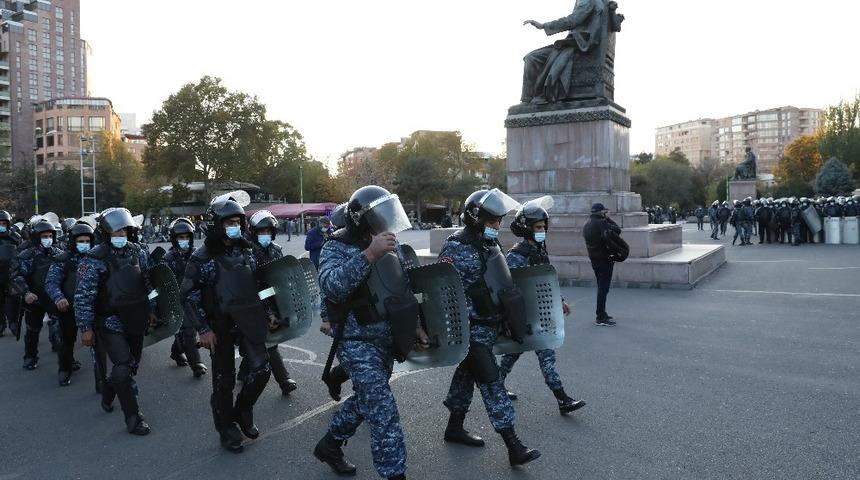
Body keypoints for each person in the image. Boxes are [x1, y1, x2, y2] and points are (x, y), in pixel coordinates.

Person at [313, 186, 428, 479]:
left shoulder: (392, 244)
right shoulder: (335, 247)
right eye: (379, 217)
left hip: (386, 338)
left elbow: (402, 288)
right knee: (382, 407)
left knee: (367, 400)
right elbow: (332, 287)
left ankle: (330, 444)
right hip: (355, 341)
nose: (386, 223)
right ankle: (394, 474)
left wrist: (416, 326)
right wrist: (368, 255)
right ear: (361, 220)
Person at [438, 188, 541, 467]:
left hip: (488, 324)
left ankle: (454, 427)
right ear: (475, 218)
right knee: (491, 381)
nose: (497, 225)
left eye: (499, 220)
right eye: (492, 220)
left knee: (466, 377)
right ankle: (513, 446)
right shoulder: (456, 247)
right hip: (469, 330)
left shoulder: (488, 245)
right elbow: (444, 292)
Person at [180, 195, 272, 453]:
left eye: (237, 222)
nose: (234, 226)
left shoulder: (247, 250)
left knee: (262, 370)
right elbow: (187, 296)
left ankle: (243, 410)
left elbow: (257, 286)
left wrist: (267, 312)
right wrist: (203, 329)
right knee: (224, 382)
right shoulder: (202, 257)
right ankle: (226, 428)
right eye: (229, 222)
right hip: (218, 326)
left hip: (248, 321)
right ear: (216, 224)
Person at [75, 208, 157, 435]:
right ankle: (134, 418)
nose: (121, 234)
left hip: (136, 318)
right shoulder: (94, 259)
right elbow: (83, 296)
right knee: (122, 367)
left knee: (131, 366)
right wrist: (85, 328)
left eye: (124, 230)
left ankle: (110, 389)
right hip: (110, 321)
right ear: (106, 232)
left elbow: (148, 283)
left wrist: (152, 310)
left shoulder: (138, 252)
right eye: (116, 230)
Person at [498, 202, 586, 415]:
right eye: (538, 227)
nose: (542, 231)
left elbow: (546, 281)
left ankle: (499, 384)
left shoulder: (538, 250)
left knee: (527, 354)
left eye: (543, 227)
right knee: (528, 355)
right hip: (525, 317)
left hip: (540, 315)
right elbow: (507, 289)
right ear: (527, 228)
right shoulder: (516, 256)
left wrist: (560, 300)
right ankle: (561, 398)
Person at [243, 210, 297, 396]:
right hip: (253, 302)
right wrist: (268, 312)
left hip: (275, 299)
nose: (264, 235)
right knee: (270, 343)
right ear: (253, 232)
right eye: (260, 232)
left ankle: (243, 372)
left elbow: (282, 277)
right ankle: (284, 380)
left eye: (268, 231)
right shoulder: (247, 253)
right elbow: (253, 285)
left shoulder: (276, 249)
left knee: (258, 341)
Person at [10, 218, 64, 370]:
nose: (48, 239)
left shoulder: (58, 253)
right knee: (33, 329)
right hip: (35, 299)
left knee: (61, 328)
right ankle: (30, 356)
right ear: (36, 237)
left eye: (50, 236)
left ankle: (66, 360)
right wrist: (26, 293)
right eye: (44, 236)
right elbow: (16, 276)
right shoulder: (27, 255)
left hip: (55, 298)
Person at [44, 221, 94, 386]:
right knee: (66, 341)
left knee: (99, 343)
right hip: (68, 308)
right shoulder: (62, 260)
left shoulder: (96, 258)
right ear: (73, 241)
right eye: (81, 241)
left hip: (92, 308)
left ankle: (103, 379)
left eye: (87, 241)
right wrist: (59, 298)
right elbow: (51, 283)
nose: (84, 244)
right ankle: (65, 368)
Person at [161, 218, 207, 378]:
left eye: (186, 237)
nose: (184, 240)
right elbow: (162, 282)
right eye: (180, 237)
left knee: (189, 331)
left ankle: (176, 351)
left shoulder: (198, 254)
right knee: (188, 332)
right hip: (177, 300)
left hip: (195, 298)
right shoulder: (168, 259)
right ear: (174, 239)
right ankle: (197, 364)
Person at [582, 203, 619, 326]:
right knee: (603, 289)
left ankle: (602, 313)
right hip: (605, 260)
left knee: (601, 288)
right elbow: (617, 230)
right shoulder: (601, 223)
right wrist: (608, 218)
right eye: (604, 212)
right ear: (601, 213)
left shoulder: (586, 225)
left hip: (595, 260)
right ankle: (600, 316)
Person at [0, 210, 22, 338]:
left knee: (14, 298)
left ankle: (13, 321)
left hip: (11, 272)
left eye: (4, 223)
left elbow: (22, 251)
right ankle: (1, 324)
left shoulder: (15, 237)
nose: (1, 225)